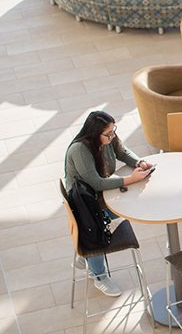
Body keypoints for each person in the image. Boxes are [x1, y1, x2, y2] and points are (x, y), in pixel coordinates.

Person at [63, 110, 153, 297]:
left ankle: (84, 258)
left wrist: (140, 162)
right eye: (108, 133)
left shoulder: (108, 139)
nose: (112, 136)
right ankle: (99, 275)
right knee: (96, 230)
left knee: (124, 209)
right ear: (95, 133)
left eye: (114, 131)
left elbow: (122, 151)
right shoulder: (80, 150)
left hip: (99, 195)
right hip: (85, 205)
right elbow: (95, 182)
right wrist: (130, 179)